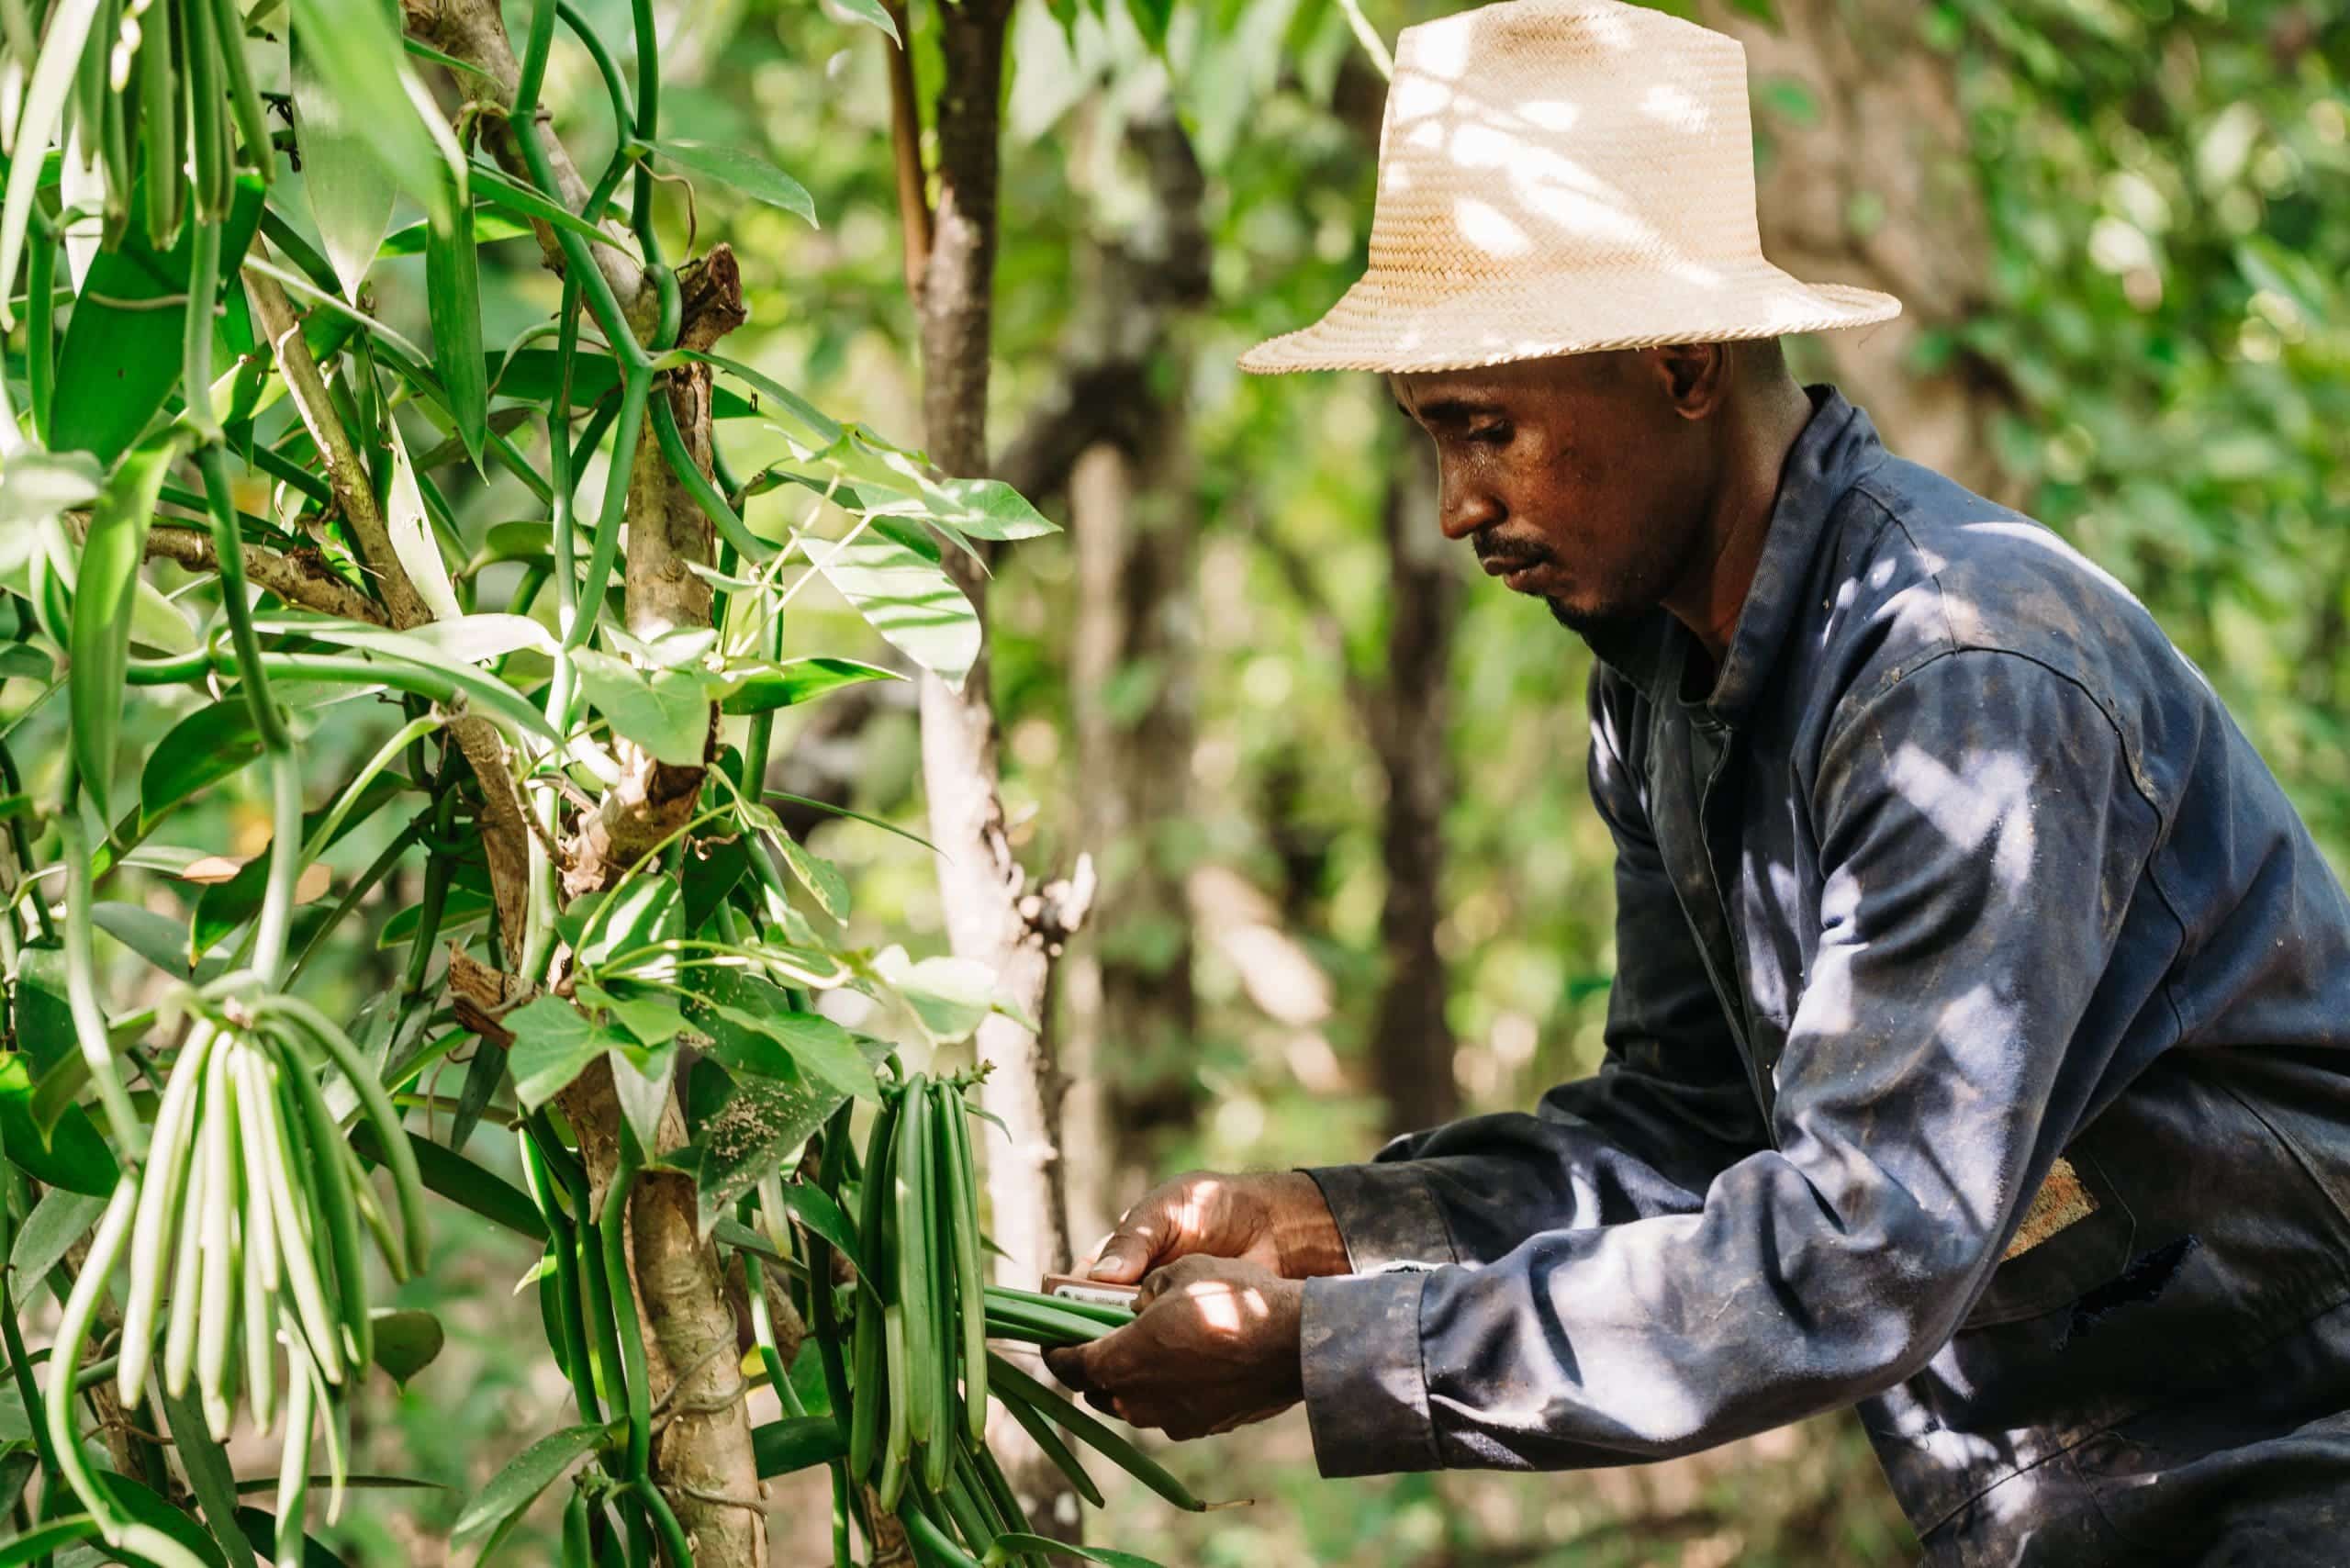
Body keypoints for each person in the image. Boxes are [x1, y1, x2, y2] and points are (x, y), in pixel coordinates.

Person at [1038, 3, 2350, 1563]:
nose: (1457, 506)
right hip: (2065, 1495)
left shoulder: (1961, 681)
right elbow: (1692, 1132)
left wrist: (1338, 1353)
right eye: (1426, 441)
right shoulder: (1667, 684)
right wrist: (1326, 1229)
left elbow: (1861, 1246)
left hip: (2285, 1461)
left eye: (1486, 429)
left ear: (1680, 363)